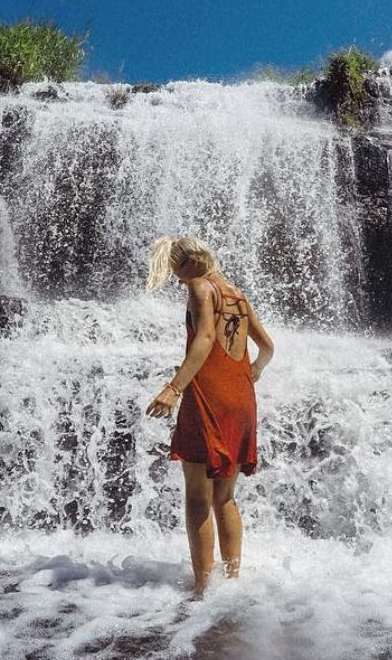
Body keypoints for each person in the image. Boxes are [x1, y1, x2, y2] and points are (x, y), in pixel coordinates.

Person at [144, 236, 274, 595]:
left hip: (208, 397)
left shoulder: (200, 287)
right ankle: (230, 582)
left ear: (192, 262)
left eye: (176, 270)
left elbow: (203, 339)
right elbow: (267, 347)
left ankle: (203, 587)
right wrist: (254, 372)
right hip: (240, 398)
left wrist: (173, 389)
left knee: (198, 496)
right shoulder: (236, 294)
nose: (177, 280)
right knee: (225, 497)